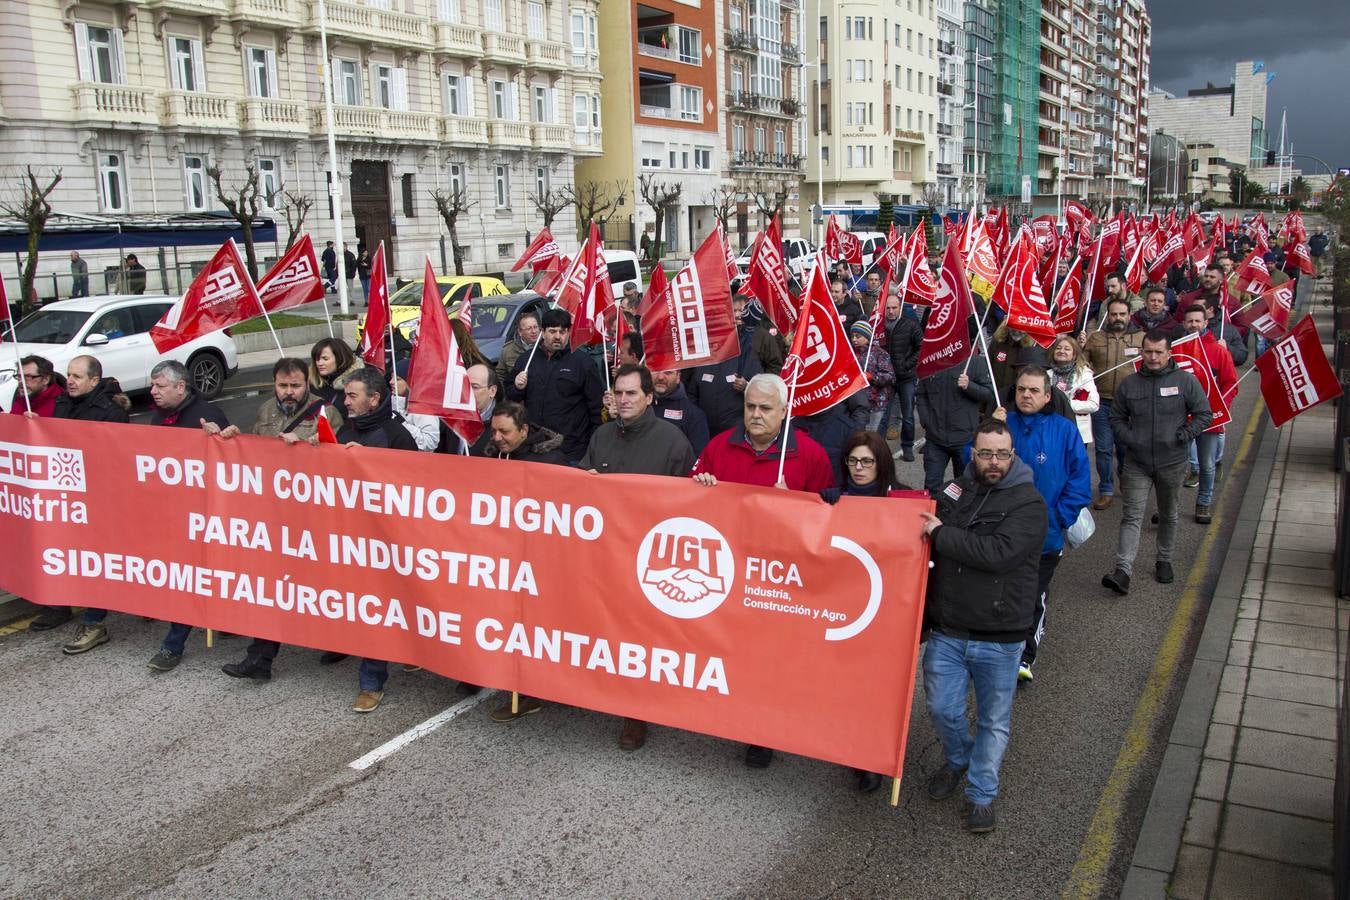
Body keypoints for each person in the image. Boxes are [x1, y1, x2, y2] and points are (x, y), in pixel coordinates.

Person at [691, 373, 833, 769]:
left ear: (784, 411)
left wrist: (800, 506)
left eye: (765, 408)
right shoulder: (720, 446)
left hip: (779, 580)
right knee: (733, 652)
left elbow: (830, 520)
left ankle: (763, 734)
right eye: (750, 406)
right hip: (730, 571)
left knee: (771, 662)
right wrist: (699, 484)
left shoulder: (809, 455)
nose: (755, 414)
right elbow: (688, 497)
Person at [921, 418, 1047, 834]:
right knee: (942, 709)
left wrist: (941, 536)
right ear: (972, 454)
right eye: (985, 453)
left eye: (1002, 454)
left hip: (1001, 636)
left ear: (1013, 455)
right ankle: (960, 758)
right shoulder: (957, 489)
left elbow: (997, 553)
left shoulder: (1029, 504)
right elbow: (919, 516)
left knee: (994, 721)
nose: (994, 462)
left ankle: (981, 794)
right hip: (950, 629)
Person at [577, 364, 694, 750]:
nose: (623, 400)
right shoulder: (602, 435)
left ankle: (635, 714)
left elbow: (688, 508)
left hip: (648, 559)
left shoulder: (673, 442)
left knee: (640, 641)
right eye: (619, 393)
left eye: (631, 394)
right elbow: (581, 485)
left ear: (649, 397)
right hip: (603, 554)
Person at [205, 358, 345, 680]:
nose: (289, 392)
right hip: (274, 515)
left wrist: (310, 449)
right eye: (283, 386)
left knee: (323, 584)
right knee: (275, 587)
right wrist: (232, 440)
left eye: (295, 386)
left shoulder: (328, 413)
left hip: (315, 516)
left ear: (307, 383)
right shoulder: (266, 411)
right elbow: (254, 452)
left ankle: (340, 639)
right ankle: (260, 661)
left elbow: (339, 461)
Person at [820, 429, 916, 793]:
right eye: (852, 461)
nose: (858, 469)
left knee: (876, 690)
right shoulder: (833, 498)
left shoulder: (902, 499)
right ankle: (851, 748)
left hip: (884, 610)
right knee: (846, 688)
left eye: (867, 462)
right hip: (842, 609)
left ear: (881, 464)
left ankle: (870, 760)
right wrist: (822, 506)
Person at [1102, 330, 1213, 595]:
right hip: (1137, 463)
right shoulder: (1129, 384)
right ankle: (1123, 570)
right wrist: (1131, 438)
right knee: (1131, 516)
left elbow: (1204, 414)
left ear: (1169, 353)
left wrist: (1184, 435)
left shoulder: (1186, 381)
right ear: (1141, 353)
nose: (1152, 357)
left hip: (1172, 462)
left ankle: (1164, 559)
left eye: (1158, 352)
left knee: (1169, 514)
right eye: (1148, 352)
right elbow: (1115, 418)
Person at [29, 356, 130, 639]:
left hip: (99, 500)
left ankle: (94, 621)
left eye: (77, 376)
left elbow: (116, 459)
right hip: (69, 497)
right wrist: (36, 428)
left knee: (97, 560)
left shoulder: (110, 412)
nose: (70, 381)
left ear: (94, 381)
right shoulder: (62, 403)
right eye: (69, 375)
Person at [335, 368, 418, 711]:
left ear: (373, 399)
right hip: (351, 536)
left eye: (352, 395)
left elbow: (417, 489)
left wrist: (369, 462)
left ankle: (372, 683)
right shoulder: (344, 429)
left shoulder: (396, 436)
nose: (345, 401)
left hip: (388, 541)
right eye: (345, 395)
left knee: (383, 608)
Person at [1004, 368, 1091, 683]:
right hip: (1003, 533)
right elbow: (972, 461)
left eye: (1033, 390)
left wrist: (1057, 518)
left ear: (1047, 395)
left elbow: (1080, 484)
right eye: (1021, 389)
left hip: (1045, 536)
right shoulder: (1002, 425)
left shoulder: (1064, 431)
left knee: (1033, 594)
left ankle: (1025, 656)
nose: (1026, 395)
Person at [144, 360, 230, 671]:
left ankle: (172, 646)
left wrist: (218, 439)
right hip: (172, 515)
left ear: (181, 387)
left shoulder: (207, 415)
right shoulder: (160, 417)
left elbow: (230, 463)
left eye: (160, 386)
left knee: (190, 581)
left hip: (203, 518)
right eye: (153, 385)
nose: (153, 391)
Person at [507, 307, 604, 463]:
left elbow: (597, 408)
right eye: (552, 331)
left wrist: (592, 447)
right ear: (542, 332)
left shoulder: (583, 363)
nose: (558, 336)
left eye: (563, 331)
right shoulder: (526, 360)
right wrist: (517, 388)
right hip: (533, 447)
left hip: (571, 451)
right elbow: (510, 398)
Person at [1081, 298, 1144, 510]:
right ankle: (1106, 489)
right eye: (1114, 314)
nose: (1118, 318)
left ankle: (1125, 479)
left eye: (1122, 314)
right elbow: (1082, 365)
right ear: (1108, 315)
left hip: (1129, 406)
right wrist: (1080, 348)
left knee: (1125, 448)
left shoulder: (1142, 338)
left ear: (1129, 315)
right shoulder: (1095, 338)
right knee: (1103, 449)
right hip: (1102, 403)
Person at [1176, 304, 1236, 524]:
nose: (1193, 325)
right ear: (1184, 323)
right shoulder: (1176, 350)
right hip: (1180, 419)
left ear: (1205, 323)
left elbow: (1231, 383)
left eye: (1197, 321)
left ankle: (1203, 504)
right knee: (1175, 466)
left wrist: (1221, 407)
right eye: (1189, 321)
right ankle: (1170, 508)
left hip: (1209, 420)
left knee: (1207, 465)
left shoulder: (1219, 351)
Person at [916, 360, 996, 494]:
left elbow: (989, 394)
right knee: (931, 486)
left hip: (965, 440)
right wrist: (926, 421)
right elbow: (921, 394)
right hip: (935, 439)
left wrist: (969, 386)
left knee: (964, 486)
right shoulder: (929, 362)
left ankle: (959, 514)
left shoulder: (975, 363)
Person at [885, 292, 923, 455]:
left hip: (906, 377)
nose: (891, 311)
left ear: (900, 308)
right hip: (887, 378)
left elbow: (921, 347)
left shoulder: (910, 324)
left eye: (894, 307)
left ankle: (907, 447)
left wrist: (906, 365)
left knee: (908, 415)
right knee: (883, 416)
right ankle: (879, 449)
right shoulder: (879, 326)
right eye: (888, 308)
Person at [1047, 336, 1098, 449]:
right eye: (1058, 348)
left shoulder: (1084, 374)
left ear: (1074, 354)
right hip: (1052, 429)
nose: (1062, 351)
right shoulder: (1046, 374)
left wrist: (1065, 403)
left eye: (1067, 349)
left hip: (1077, 431)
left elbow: (1094, 404)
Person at [482, 400, 569, 464]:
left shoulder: (552, 461)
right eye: (493, 431)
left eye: (504, 431)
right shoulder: (489, 455)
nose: (496, 438)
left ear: (524, 430)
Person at [651, 367, 710, 457]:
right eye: (656, 371)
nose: (660, 377)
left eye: (668, 372)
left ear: (678, 377)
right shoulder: (636, 406)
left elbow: (699, 459)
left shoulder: (693, 415)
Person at [849, 321, 895, 433]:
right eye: (852, 336)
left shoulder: (880, 353)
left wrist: (871, 377)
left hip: (875, 403)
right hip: (855, 404)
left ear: (867, 337)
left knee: (872, 437)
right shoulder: (849, 354)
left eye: (858, 336)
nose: (854, 339)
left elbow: (889, 376)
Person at [390, 359, 442, 451]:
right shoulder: (390, 402)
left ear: (411, 382)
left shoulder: (423, 406)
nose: (391, 382)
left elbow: (430, 442)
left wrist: (402, 424)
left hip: (417, 462)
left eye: (398, 379)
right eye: (391, 378)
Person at [987, 323, 1048, 394]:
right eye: (1014, 325)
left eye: (1022, 326)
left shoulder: (1035, 346)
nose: (1017, 330)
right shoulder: (998, 341)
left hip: (1020, 397)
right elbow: (987, 365)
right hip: (995, 394)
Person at [308, 337, 364, 406]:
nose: (320, 363)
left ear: (340, 358)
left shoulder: (359, 385)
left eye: (325, 359)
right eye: (317, 359)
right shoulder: (312, 385)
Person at [496, 310, 541, 389]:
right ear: (520, 332)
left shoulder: (546, 347)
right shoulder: (508, 350)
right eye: (529, 328)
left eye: (535, 327)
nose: (534, 331)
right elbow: (500, 375)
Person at [463, 363, 499, 456]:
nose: (467, 391)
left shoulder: (503, 423)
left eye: (474, 387)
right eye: (464, 385)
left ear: (492, 391)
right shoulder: (450, 418)